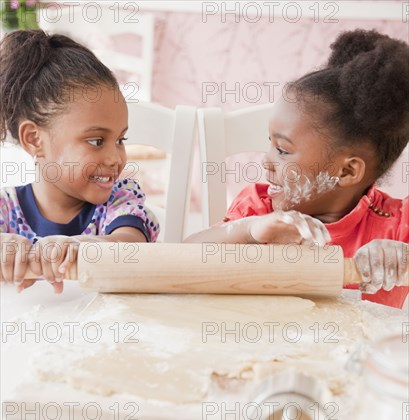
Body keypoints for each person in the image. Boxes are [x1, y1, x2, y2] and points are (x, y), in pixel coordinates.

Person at [186, 29, 409, 309]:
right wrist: (248, 231)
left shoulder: (397, 224)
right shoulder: (260, 210)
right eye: (270, 145)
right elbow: (186, 257)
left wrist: (401, 258)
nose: (266, 162)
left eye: (282, 151)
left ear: (347, 172)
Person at [0, 29, 159, 294]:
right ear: (34, 139)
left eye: (120, 139)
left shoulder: (120, 201)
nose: (115, 158)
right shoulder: (5, 209)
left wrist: (84, 248)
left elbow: (131, 247)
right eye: (96, 141)